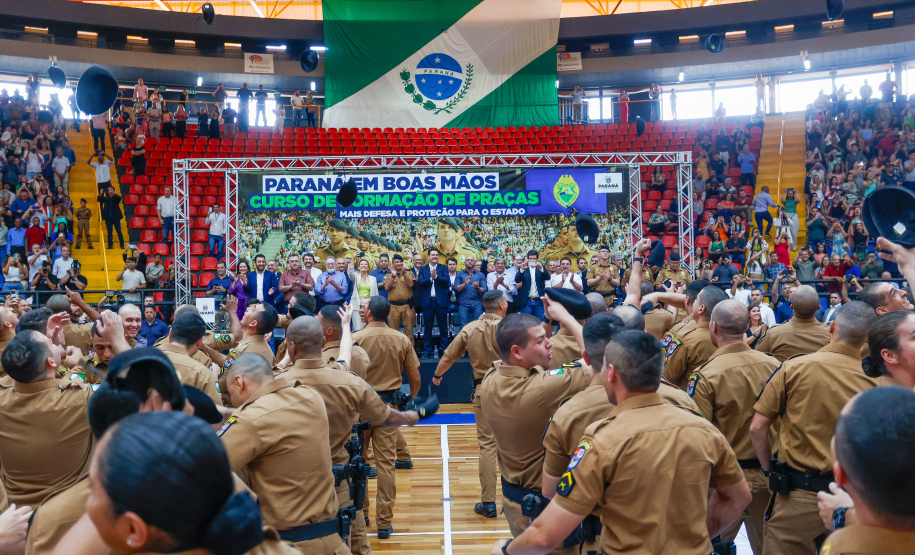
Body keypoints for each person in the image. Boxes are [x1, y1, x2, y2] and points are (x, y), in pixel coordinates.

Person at [492, 330, 751, 555]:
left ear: (611, 373)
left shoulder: (602, 440)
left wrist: (506, 550)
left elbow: (545, 536)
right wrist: (696, 535)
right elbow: (739, 497)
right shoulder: (704, 430)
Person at [279, 310, 431, 554]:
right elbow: (387, 415)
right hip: (338, 477)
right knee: (356, 536)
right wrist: (416, 414)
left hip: (293, 485)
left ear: (292, 347)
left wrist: (286, 359)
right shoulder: (346, 379)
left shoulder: (276, 383)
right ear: (323, 341)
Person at [750, 302, 877, 554]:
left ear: (832, 327)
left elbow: (757, 428)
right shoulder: (877, 384)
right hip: (853, 501)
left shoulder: (793, 368)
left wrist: (768, 473)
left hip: (796, 497)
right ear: (868, 340)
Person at [478, 308, 592, 553]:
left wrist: (547, 323)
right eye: (541, 341)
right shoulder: (540, 390)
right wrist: (568, 318)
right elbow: (595, 359)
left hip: (514, 501)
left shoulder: (490, 377)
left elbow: (524, 345)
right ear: (517, 352)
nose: (549, 343)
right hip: (545, 511)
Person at [221, 351, 350, 553]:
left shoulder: (249, 421)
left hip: (289, 546)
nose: (233, 402)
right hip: (333, 542)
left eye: (230, 395)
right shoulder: (311, 397)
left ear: (239, 382)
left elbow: (207, 466)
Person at [688, 300, 780, 554]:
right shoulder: (774, 365)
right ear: (745, 327)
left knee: (707, 547)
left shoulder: (705, 375)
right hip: (769, 476)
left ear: (713, 327)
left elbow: (700, 436)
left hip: (726, 482)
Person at [352, 296, 422, 538]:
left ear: (370, 313)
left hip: (361, 409)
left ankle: (362, 514)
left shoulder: (354, 339)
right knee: (386, 466)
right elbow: (415, 377)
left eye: (363, 308)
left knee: (358, 464)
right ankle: (384, 523)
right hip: (389, 409)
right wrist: (410, 401)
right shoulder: (401, 338)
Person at [0, 329, 94, 509]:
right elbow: (135, 386)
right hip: (68, 516)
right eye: (51, 343)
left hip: (16, 516)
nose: (55, 344)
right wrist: (81, 365)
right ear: (51, 361)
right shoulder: (81, 400)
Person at [433, 290, 506, 517]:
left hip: (484, 388)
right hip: (514, 387)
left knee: (487, 446)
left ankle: (489, 503)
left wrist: (437, 375)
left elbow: (448, 357)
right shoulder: (512, 327)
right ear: (502, 305)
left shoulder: (469, 328)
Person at [204, 303, 277, 407]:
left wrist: (214, 372)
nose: (247, 309)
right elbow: (232, 364)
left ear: (253, 323)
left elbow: (222, 384)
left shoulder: (244, 350)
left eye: (253, 309)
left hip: (232, 408)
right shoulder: (265, 347)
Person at [661, 285, 728, 389]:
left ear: (701, 308)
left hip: (688, 401)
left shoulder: (686, 339)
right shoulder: (729, 337)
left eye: (696, 299)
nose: (693, 302)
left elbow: (666, 376)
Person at [756, 285, 831, 362]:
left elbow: (757, 359)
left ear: (791, 307)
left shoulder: (774, 333)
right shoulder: (831, 334)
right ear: (818, 308)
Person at [416, 248, 449, 356]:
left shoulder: (443, 268)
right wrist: (431, 279)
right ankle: (427, 349)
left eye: (436, 255)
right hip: (428, 302)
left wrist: (437, 277)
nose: (435, 256)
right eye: (432, 255)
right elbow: (420, 282)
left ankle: (444, 349)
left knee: (443, 327)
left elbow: (446, 281)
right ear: (429, 257)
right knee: (427, 328)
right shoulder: (423, 269)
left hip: (441, 302)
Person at [515, 250, 547, 320]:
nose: (532, 260)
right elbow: (517, 280)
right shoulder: (524, 268)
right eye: (531, 258)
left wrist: (541, 268)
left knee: (539, 322)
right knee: (526, 323)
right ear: (528, 259)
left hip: (539, 302)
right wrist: (522, 270)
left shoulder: (541, 268)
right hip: (526, 301)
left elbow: (548, 277)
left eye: (534, 258)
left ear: (537, 259)